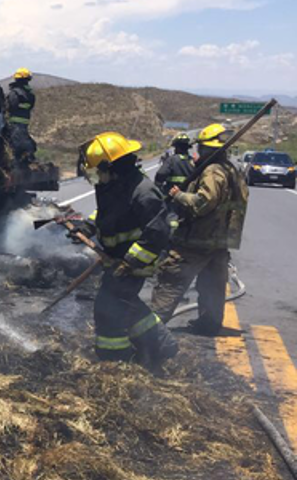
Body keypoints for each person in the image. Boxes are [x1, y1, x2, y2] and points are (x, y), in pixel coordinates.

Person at [74, 131, 177, 369]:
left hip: (136, 261)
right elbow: (108, 214)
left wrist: (130, 262)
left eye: (98, 171)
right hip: (118, 259)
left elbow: (157, 233)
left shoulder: (143, 192)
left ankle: (115, 360)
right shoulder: (116, 185)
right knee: (126, 302)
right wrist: (87, 227)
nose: (96, 177)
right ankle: (161, 344)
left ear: (112, 167)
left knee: (107, 308)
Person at [151, 124, 249, 335]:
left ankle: (150, 329)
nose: (198, 152)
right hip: (219, 241)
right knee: (212, 285)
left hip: (198, 239)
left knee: (172, 279)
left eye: (201, 148)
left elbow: (204, 203)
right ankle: (209, 325)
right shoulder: (232, 170)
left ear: (206, 149)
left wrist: (179, 195)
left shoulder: (213, 171)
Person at [3, 67, 37, 163]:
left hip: (14, 123)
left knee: (15, 145)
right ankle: (27, 159)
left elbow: (10, 107)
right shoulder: (30, 95)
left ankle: (17, 164)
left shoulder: (15, 93)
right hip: (24, 123)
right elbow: (30, 107)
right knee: (24, 142)